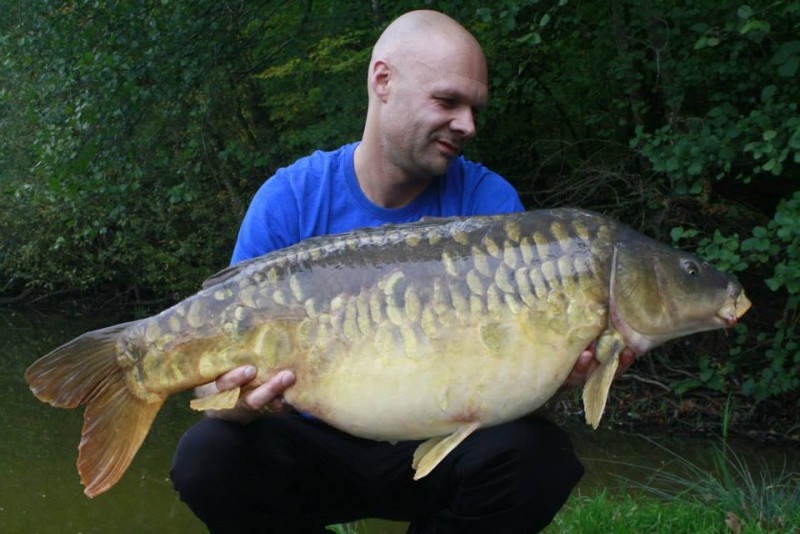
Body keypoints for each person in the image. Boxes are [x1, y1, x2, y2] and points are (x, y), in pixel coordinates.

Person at [171, 9, 634, 533]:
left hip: (435, 447)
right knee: (208, 454)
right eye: (448, 101)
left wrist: (558, 377)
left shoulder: (489, 206)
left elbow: (510, 391)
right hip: (310, 444)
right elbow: (215, 397)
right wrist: (239, 403)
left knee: (538, 457)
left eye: (475, 109)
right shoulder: (291, 199)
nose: (468, 125)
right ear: (383, 80)